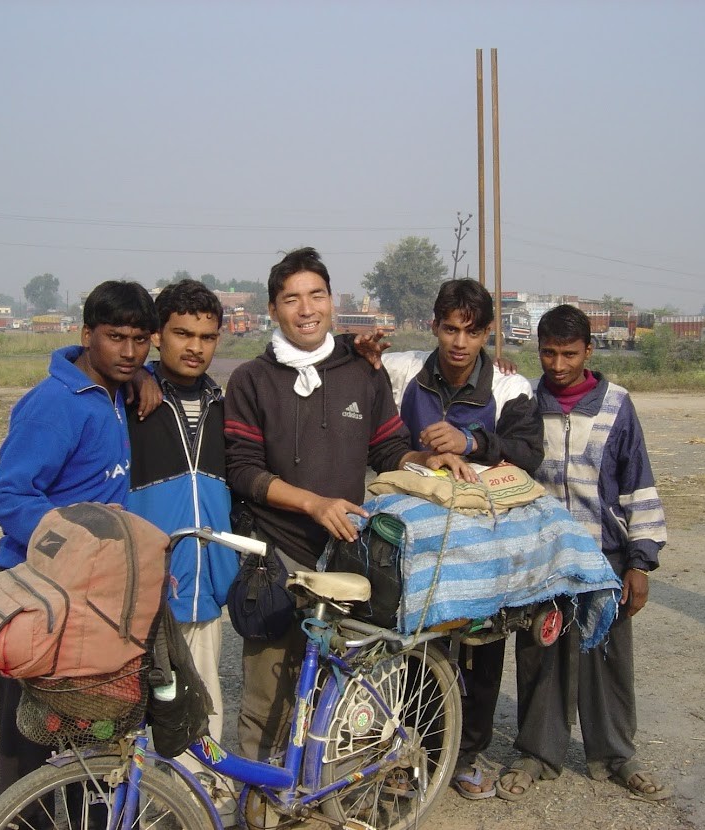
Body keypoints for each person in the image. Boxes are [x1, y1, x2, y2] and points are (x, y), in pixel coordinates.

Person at [223, 246, 472, 761]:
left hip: (344, 555)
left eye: (317, 294)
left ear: (332, 301)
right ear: (273, 310)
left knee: (341, 694)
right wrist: (313, 503)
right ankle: (260, 806)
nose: (306, 308)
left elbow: (384, 449)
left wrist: (426, 460)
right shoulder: (251, 379)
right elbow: (244, 471)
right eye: (291, 299)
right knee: (267, 695)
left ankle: (324, 800)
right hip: (276, 556)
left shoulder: (361, 369)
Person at [0, 280, 156, 798]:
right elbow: (10, 495)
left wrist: (145, 378)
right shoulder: (55, 403)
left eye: (140, 340)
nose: (129, 351)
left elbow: (135, 369)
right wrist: (76, 551)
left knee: (92, 727)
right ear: (87, 335)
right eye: (115, 337)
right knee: (27, 739)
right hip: (36, 591)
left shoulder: (113, 388)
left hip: (90, 599)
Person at [379, 279, 544, 799]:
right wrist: (359, 352)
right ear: (434, 326)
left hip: (481, 545)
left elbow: (528, 450)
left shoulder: (510, 388)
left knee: (480, 648)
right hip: (417, 543)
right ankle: (403, 755)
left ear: (487, 335)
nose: (458, 342)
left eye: (471, 333)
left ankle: (465, 756)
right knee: (411, 645)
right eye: (450, 329)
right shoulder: (402, 371)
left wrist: (472, 441)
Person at [502, 303, 670, 802]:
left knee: (609, 658)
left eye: (569, 354)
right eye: (548, 353)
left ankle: (617, 756)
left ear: (589, 351)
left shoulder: (618, 405)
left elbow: (638, 484)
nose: (557, 365)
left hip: (606, 557)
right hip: (545, 559)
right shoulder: (525, 403)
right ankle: (537, 752)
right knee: (541, 655)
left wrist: (640, 562)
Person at [127, 279, 238, 750]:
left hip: (205, 588)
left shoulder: (224, 406)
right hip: (144, 587)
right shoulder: (130, 399)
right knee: (136, 702)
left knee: (202, 697)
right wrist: (135, 375)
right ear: (157, 334)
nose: (195, 348)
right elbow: (81, 358)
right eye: (182, 334)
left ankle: (205, 797)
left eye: (207, 337)